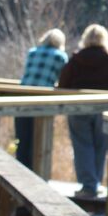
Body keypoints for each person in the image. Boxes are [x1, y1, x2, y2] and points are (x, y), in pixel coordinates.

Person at [59, 24, 108, 199]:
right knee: (100, 146)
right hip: (104, 108)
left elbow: (63, 83)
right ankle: (95, 183)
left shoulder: (76, 59)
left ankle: (88, 185)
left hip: (78, 106)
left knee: (82, 145)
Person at [15, 28, 67, 168]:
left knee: (22, 140)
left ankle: (21, 170)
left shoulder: (32, 52)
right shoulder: (60, 56)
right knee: (38, 141)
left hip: (21, 98)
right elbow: (63, 80)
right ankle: (36, 172)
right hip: (42, 101)